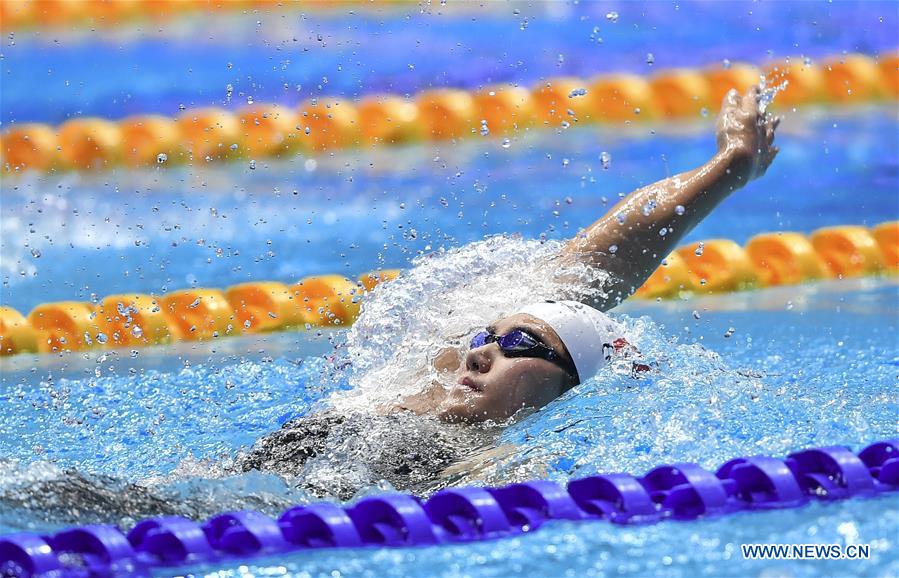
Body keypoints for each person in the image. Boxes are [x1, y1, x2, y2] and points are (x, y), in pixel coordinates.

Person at [393, 85, 780, 424]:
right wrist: (729, 165)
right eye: (482, 338)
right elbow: (599, 263)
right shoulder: (410, 391)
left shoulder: (505, 474)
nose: (480, 355)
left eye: (520, 344)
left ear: (570, 391)